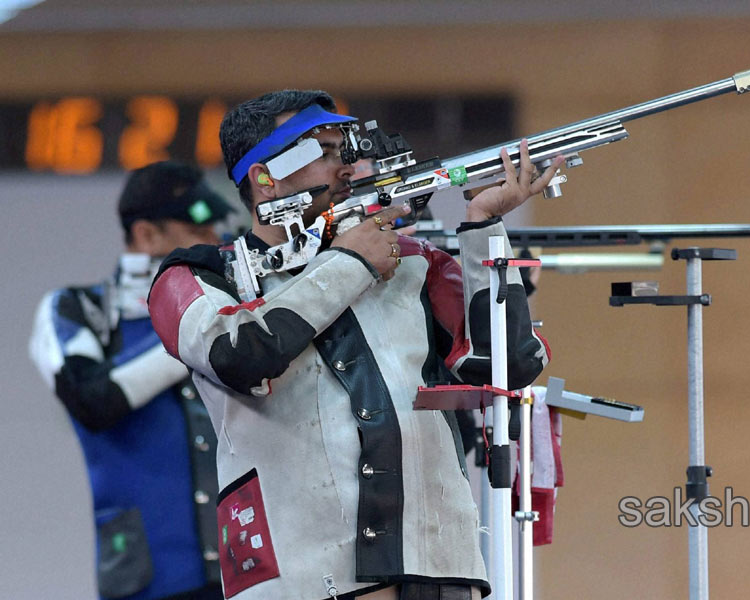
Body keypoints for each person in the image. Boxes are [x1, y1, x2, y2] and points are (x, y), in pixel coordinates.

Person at [147, 90, 562, 600]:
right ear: (264, 177)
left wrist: (484, 227)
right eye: (321, 152)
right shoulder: (199, 274)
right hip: (302, 573)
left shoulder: (416, 261)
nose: (347, 167)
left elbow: (509, 365)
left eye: (344, 150)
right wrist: (350, 264)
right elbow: (237, 354)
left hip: (438, 563)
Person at [29, 161, 233, 600]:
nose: (216, 238)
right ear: (147, 235)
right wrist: (198, 332)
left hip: (248, 567)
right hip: (148, 575)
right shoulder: (80, 309)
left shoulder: (230, 299)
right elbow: (92, 400)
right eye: (200, 225)